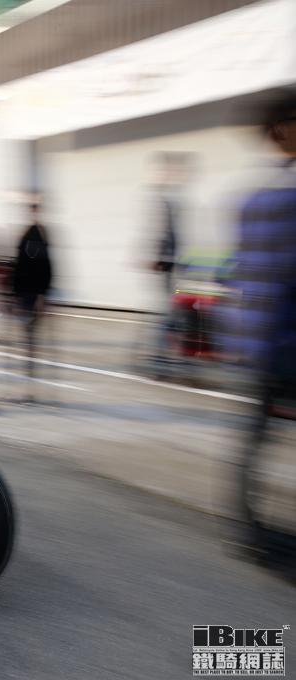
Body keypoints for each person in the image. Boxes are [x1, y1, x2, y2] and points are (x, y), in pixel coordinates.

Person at [225, 88, 296, 563]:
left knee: (256, 437)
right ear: (282, 130)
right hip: (284, 339)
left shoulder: (253, 198)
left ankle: (248, 530)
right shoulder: (282, 198)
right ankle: (253, 533)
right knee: (257, 437)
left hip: (263, 342)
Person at [148, 151, 193, 377]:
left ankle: (167, 353)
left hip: (175, 265)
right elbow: (161, 234)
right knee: (171, 309)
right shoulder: (163, 200)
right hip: (169, 267)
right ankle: (159, 355)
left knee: (175, 310)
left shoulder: (173, 200)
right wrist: (161, 259)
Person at [11, 196, 53, 400]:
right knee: (26, 340)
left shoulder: (40, 234)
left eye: (35, 208)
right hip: (24, 295)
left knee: (30, 341)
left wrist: (42, 295)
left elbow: (46, 267)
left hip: (32, 295)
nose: (32, 212)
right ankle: (27, 385)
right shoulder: (25, 233)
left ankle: (30, 387)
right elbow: (18, 266)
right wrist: (14, 295)